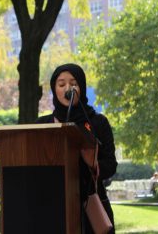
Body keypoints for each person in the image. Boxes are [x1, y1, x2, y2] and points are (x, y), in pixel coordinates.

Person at [36, 63, 118, 234]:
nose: (68, 88)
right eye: (61, 84)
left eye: (74, 83)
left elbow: (110, 165)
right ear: (54, 89)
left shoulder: (98, 122)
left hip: (91, 203)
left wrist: (93, 164)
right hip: (52, 205)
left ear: (81, 87)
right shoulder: (42, 125)